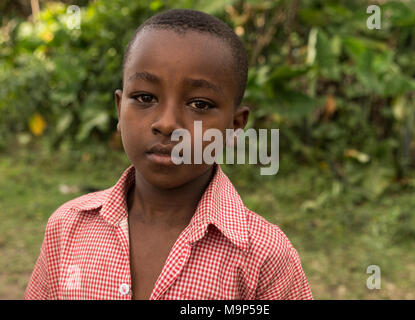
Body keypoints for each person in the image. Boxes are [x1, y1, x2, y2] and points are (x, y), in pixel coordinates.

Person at [24, 8, 312, 300]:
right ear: (119, 110)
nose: (167, 124)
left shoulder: (264, 255)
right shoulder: (68, 227)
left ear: (235, 126)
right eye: (145, 98)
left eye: (199, 104)